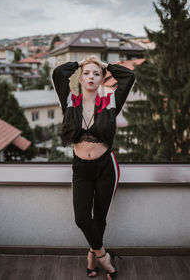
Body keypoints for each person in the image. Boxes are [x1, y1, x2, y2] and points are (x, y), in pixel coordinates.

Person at [51, 54, 135, 279]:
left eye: (96, 74)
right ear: (80, 78)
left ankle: (91, 257)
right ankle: (104, 256)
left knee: (99, 216)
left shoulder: (110, 102)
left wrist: (104, 65)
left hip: (106, 167)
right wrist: (81, 62)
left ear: (101, 79)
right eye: (86, 73)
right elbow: (59, 73)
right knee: (81, 217)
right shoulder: (70, 101)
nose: (91, 77)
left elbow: (128, 76)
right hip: (81, 168)